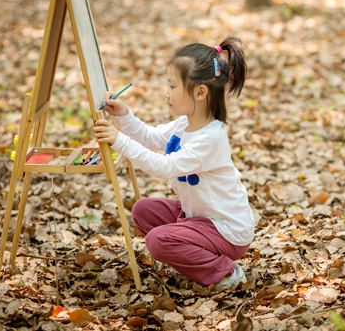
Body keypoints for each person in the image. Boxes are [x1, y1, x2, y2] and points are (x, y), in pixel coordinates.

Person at [92, 36, 254, 290]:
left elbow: (163, 167)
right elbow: (151, 137)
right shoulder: (185, 123)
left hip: (227, 230)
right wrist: (123, 116)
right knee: (143, 210)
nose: (166, 93)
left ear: (200, 92)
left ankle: (225, 272)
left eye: (173, 86)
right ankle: (190, 248)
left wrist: (119, 141)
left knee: (157, 241)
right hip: (198, 216)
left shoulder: (210, 138)